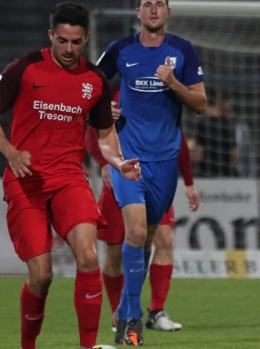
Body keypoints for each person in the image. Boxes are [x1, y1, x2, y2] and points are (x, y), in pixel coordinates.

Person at [0, 1, 140, 349]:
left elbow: (105, 136)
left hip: (68, 179)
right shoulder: (25, 68)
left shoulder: (94, 80)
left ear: (85, 39)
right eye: (62, 40)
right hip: (26, 180)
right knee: (42, 276)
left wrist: (118, 162)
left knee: (88, 256)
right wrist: (10, 151)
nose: (69, 49)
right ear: (51, 36)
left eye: (76, 42)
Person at [96, 0, 206, 346]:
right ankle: (131, 318)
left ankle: (128, 309)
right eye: (147, 4)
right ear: (138, 12)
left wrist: (174, 83)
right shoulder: (120, 49)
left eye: (160, 4)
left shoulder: (183, 51)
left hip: (165, 163)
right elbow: (89, 85)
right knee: (136, 233)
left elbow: (201, 103)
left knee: (146, 243)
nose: (154, 9)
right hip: (129, 160)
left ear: (168, 12)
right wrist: (103, 109)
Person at [84, 90, 200, 333]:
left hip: (156, 178)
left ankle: (156, 311)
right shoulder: (120, 95)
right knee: (116, 250)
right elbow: (93, 133)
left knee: (164, 240)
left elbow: (178, 139)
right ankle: (120, 315)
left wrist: (189, 183)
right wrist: (105, 163)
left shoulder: (164, 97)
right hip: (122, 178)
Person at [191, 91, 240, 177]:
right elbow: (235, 154)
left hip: (207, 174)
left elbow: (198, 156)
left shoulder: (203, 125)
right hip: (227, 174)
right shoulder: (228, 124)